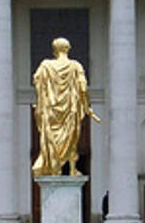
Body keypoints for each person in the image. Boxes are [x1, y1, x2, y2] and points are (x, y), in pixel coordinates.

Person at [32, 37, 98, 175]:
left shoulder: (45, 65)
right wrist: (87, 107)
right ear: (68, 49)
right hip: (70, 109)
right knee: (72, 138)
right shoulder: (76, 66)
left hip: (50, 110)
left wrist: (40, 103)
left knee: (51, 138)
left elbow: (37, 80)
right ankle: (72, 168)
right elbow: (83, 88)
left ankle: (54, 168)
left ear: (54, 50)